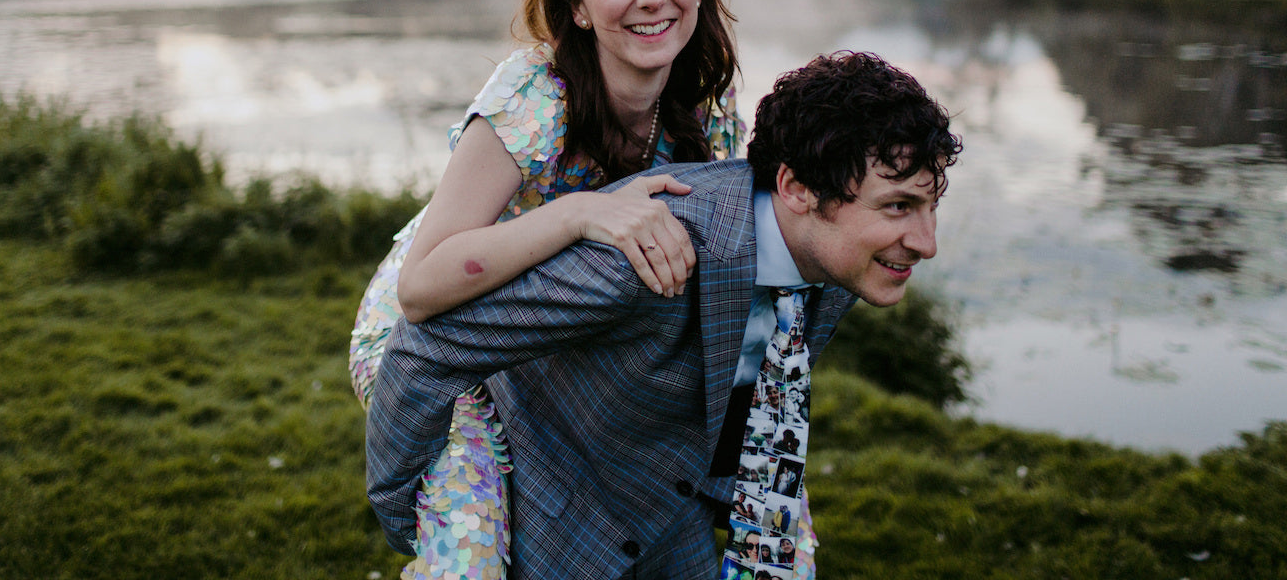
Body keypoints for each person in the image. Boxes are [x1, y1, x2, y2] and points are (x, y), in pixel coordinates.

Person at [367, 51, 962, 579]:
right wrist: (413, 515)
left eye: (930, 207)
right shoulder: (645, 260)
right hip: (554, 518)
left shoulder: (841, 257)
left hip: (672, 508)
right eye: (899, 206)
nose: (926, 242)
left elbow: (745, 383)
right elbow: (425, 345)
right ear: (798, 188)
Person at [349, 0, 750, 579]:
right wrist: (578, 213)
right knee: (471, 554)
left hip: (551, 332)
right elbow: (422, 288)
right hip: (433, 329)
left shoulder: (709, 113)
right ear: (579, 5)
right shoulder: (536, 95)